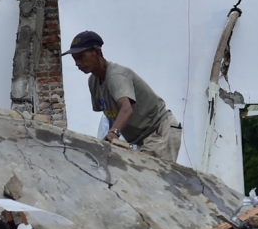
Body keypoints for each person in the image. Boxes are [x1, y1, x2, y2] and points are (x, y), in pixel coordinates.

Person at [62, 31, 182, 162]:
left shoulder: (116, 76)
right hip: (143, 139)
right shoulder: (93, 81)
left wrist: (114, 133)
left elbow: (126, 109)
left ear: (97, 52)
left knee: (151, 178)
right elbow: (111, 116)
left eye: (81, 57)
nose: (77, 63)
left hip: (160, 131)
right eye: (74, 59)